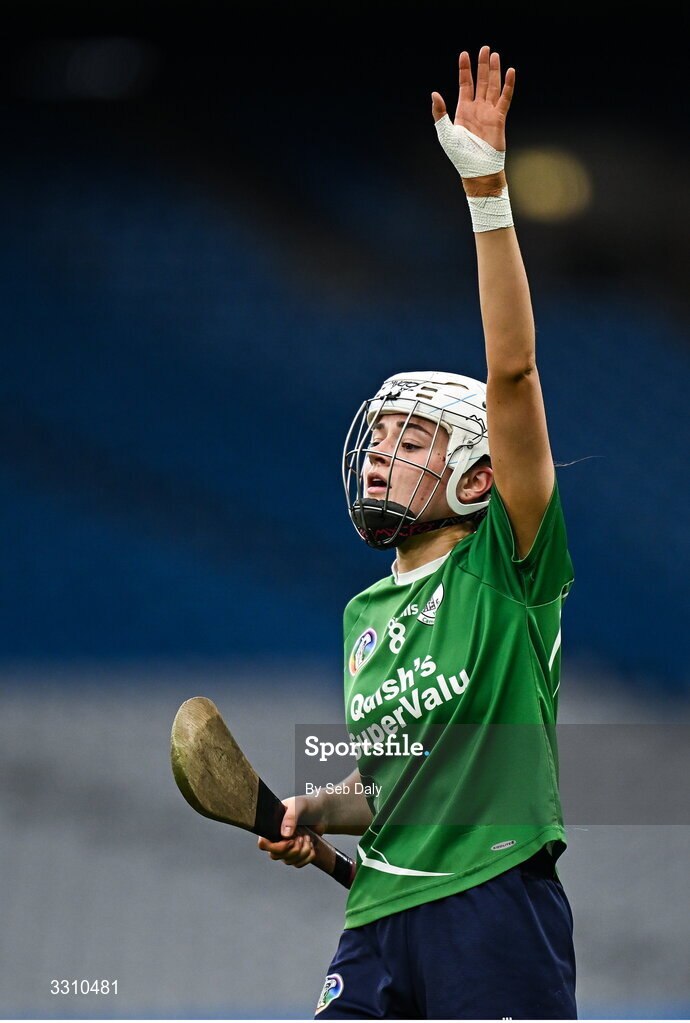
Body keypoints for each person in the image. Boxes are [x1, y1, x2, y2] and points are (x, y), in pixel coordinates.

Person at [258, 45, 577, 1020]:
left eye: (414, 438)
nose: (383, 454)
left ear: (481, 477)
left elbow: (513, 375)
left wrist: (486, 189)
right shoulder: (363, 612)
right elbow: (402, 777)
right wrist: (324, 809)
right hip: (378, 910)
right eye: (382, 437)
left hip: (491, 899)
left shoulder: (511, 564)